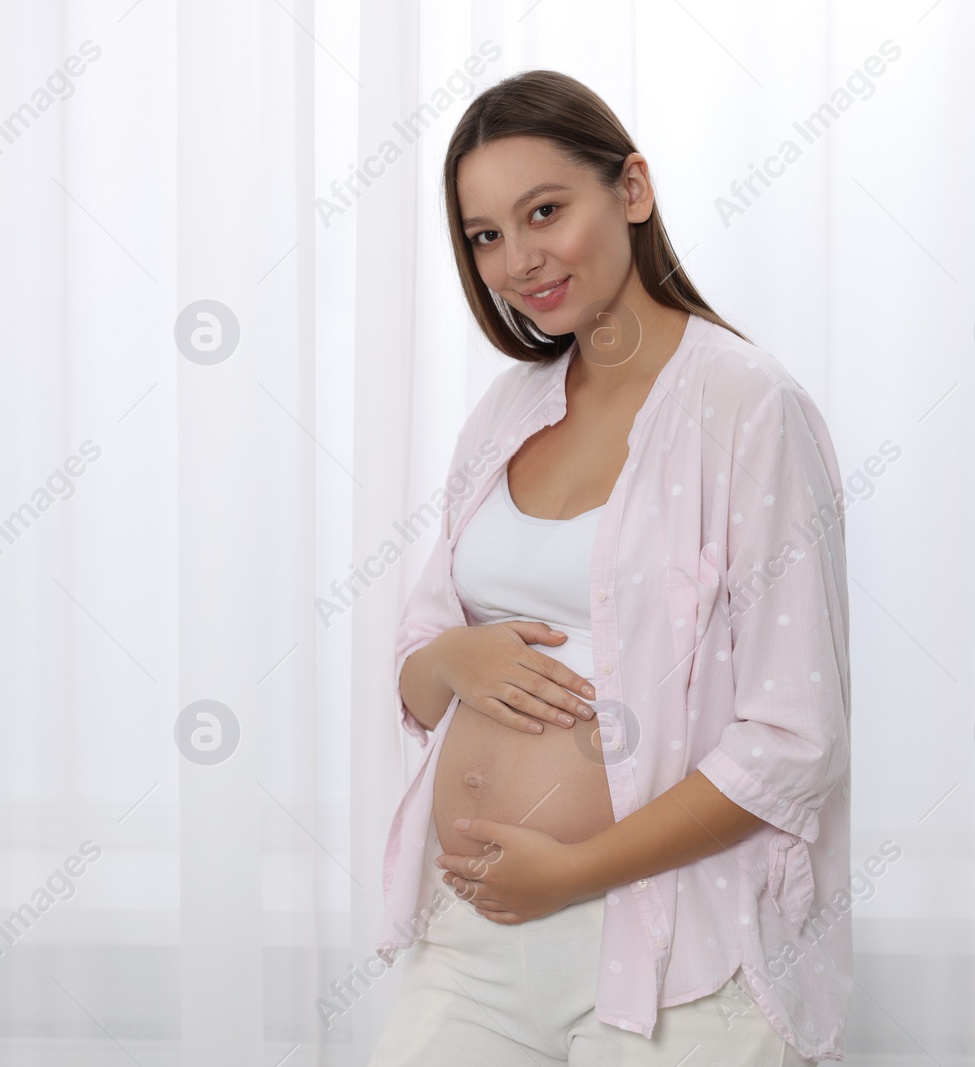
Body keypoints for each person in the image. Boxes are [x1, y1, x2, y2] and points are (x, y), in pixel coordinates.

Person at [367, 70, 853, 1065]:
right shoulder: (507, 410)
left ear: (629, 189)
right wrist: (458, 655)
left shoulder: (747, 407)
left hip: (679, 951)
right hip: (471, 937)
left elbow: (795, 740)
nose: (516, 258)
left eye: (544, 211)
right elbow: (415, 664)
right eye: (484, 235)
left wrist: (573, 868)